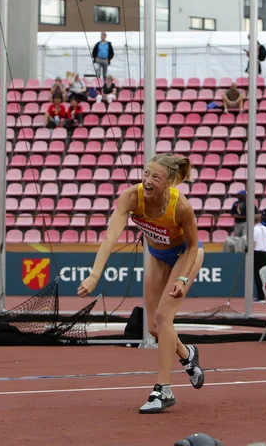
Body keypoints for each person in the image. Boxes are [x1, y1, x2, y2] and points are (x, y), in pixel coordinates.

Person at [78, 154, 205, 414]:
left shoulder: (180, 206)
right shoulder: (130, 197)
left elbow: (193, 246)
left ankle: (163, 389)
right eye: (146, 173)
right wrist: (94, 275)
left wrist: (183, 278)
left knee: (163, 317)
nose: (147, 181)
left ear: (169, 182)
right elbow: (110, 238)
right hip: (158, 257)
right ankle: (187, 355)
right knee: (154, 328)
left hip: (185, 256)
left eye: (155, 177)